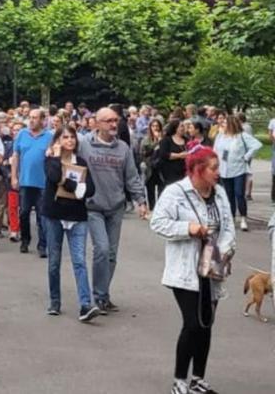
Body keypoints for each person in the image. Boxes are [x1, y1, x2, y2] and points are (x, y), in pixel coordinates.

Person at [150, 146, 233, 394]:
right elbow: (158, 223)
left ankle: (198, 379)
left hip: (213, 265)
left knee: (206, 323)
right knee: (193, 324)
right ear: (198, 169)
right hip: (185, 269)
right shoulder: (176, 193)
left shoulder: (219, 194)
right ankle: (179, 380)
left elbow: (228, 226)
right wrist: (189, 228)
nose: (219, 172)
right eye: (214, 168)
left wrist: (225, 248)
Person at [78, 107, 149, 315]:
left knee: (111, 254)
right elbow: (67, 159)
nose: (113, 124)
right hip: (93, 206)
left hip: (116, 206)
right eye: (108, 121)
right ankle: (98, 295)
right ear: (97, 123)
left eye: (115, 120)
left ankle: (103, 295)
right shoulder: (84, 145)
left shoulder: (123, 148)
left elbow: (132, 177)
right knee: (101, 249)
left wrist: (140, 201)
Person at [42, 126, 98, 321]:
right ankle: (55, 302)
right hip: (54, 215)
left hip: (77, 215)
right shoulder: (50, 160)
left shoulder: (81, 162)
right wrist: (76, 186)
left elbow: (91, 189)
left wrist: (78, 188)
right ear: (57, 140)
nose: (70, 140)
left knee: (80, 261)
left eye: (72, 137)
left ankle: (85, 305)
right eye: (65, 137)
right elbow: (54, 177)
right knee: (54, 261)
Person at [10, 108, 52, 257]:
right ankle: (25, 240)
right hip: (25, 181)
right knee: (24, 212)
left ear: (42, 120)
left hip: (43, 182)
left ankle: (42, 245)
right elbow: (15, 156)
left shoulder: (49, 136)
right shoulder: (22, 134)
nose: (32, 120)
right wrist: (14, 177)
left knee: (42, 215)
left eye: (35, 118)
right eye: (30, 117)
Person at [212, 115, 261, 232]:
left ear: (231, 124)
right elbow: (215, 150)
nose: (222, 124)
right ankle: (231, 218)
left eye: (225, 123)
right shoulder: (220, 136)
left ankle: (243, 218)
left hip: (239, 169)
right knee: (228, 196)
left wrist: (246, 156)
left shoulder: (241, 136)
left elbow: (257, 145)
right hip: (224, 169)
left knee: (239, 194)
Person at [142, 118, 165, 208]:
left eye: (157, 126)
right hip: (150, 167)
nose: (155, 128)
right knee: (150, 189)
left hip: (161, 167)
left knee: (161, 189)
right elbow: (144, 153)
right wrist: (156, 143)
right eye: (153, 126)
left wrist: (160, 141)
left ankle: (160, 208)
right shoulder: (146, 140)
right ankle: (152, 207)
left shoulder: (164, 139)